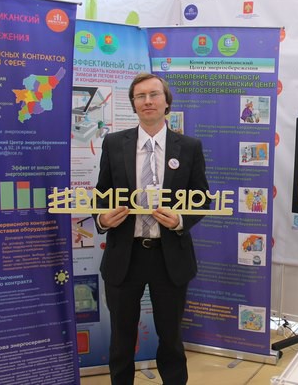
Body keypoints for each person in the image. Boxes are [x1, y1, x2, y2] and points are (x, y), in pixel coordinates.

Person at [94, 73, 210, 385]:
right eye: (140, 96)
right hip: (125, 256)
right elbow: (101, 194)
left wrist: (181, 220)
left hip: (169, 257)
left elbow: (202, 198)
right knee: (121, 340)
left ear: (166, 102)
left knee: (171, 339)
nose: (147, 101)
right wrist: (102, 219)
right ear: (133, 104)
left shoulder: (189, 147)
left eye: (154, 95)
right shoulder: (114, 144)